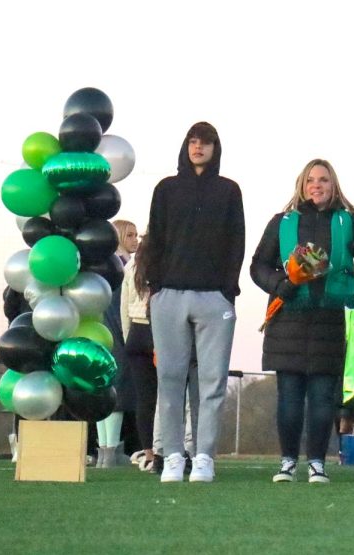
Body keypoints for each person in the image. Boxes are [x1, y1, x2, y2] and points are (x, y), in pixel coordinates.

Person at [251, 159, 354, 483]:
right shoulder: (281, 222)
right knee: (289, 396)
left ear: (333, 184)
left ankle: (318, 462)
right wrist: (282, 285)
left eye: (323, 180)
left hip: (331, 318)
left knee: (323, 398)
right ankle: (288, 461)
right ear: (302, 185)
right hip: (289, 317)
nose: (317, 185)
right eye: (311, 180)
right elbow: (258, 266)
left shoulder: (348, 221)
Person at [145, 121, 244, 483]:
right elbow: (153, 238)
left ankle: (203, 456)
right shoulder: (166, 189)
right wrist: (156, 288)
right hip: (169, 294)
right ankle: (172, 455)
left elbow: (236, 241)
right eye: (193, 141)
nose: (198, 147)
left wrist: (227, 290)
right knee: (170, 378)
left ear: (216, 148)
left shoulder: (229, 191)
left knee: (212, 380)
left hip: (213, 298)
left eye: (205, 142)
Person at [95, 219, 139, 467]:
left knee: (106, 390)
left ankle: (105, 450)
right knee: (117, 392)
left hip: (103, 331)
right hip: (117, 331)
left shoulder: (103, 265)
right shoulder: (123, 267)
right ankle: (110, 449)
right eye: (130, 235)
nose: (136, 240)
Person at [121, 231, 158, 472]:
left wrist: (128, 340)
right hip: (159, 331)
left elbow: (124, 305)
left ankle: (149, 454)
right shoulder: (165, 259)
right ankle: (168, 451)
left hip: (136, 332)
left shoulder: (132, 264)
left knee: (144, 399)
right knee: (168, 397)